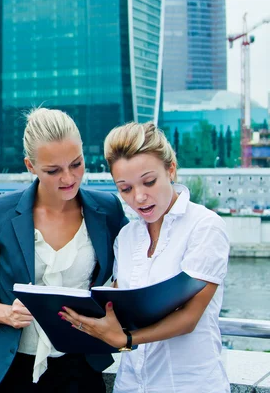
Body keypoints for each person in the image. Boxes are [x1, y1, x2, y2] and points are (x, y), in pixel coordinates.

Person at [0, 108, 128, 393]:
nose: (68, 178)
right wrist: (2, 312)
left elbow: (139, 264)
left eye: (76, 163)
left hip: (82, 366)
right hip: (12, 369)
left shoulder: (107, 209)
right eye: (53, 170)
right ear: (30, 166)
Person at [60, 121, 230, 393]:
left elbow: (189, 317)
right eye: (125, 189)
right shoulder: (127, 237)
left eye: (149, 182)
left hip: (189, 384)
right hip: (131, 384)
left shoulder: (205, 226)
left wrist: (126, 338)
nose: (139, 197)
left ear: (170, 169)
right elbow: (117, 305)